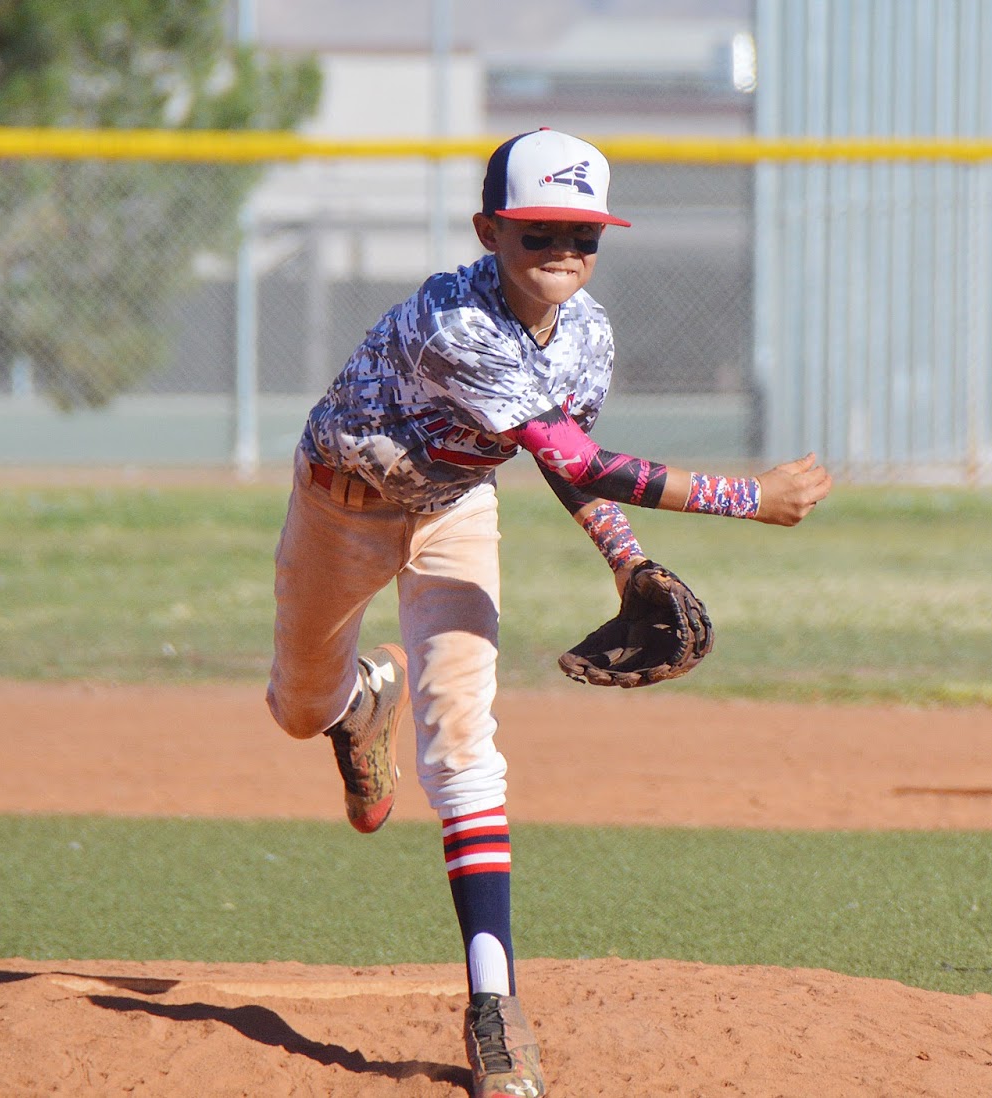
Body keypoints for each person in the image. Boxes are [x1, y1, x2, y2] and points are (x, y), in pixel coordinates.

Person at [263, 128, 833, 1098]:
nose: (564, 248)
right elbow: (577, 462)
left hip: (453, 510)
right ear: (490, 230)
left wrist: (629, 563)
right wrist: (747, 499)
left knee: (465, 747)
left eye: (585, 231)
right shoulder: (457, 322)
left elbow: (557, 460)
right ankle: (357, 709)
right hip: (341, 506)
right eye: (538, 231)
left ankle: (494, 1006)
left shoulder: (589, 332)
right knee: (295, 706)